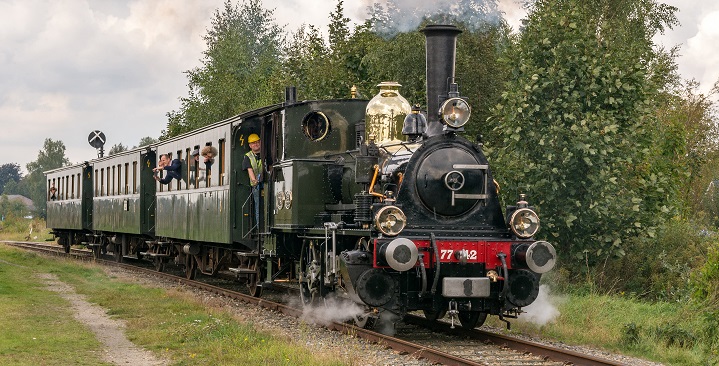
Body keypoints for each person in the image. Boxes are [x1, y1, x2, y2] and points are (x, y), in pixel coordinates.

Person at [242, 134, 262, 226]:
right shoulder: (248, 156)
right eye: (253, 143)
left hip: (266, 181)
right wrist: (254, 181)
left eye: (257, 142)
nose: (256, 144)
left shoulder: (266, 153)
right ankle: (259, 226)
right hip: (256, 185)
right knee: (258, 206)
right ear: (250, 145)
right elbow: (250, 170)